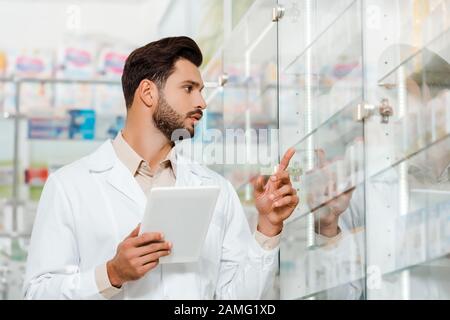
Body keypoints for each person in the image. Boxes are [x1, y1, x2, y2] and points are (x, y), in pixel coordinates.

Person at [22, 36, 299, 300]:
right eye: (189, 88)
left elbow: (235, 301)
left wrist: (268, 226)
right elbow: (38, 292)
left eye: (201, 91)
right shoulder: (70, 186)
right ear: (147, 93)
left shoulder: (216, 189)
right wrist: (111, 274)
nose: (202, 102)